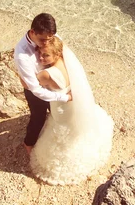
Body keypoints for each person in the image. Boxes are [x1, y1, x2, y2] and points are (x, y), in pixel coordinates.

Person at [30, 36, 114, 185]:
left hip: (61, 108)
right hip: (72, 105)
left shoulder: (46, 74)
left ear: (56, 54)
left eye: (46, 55)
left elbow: (34, 86)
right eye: (40, 53)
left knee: (61, 130)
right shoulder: (66, 64)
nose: (41, 57)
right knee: (73, 126)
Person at [14, 13, 71, 155]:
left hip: (51, 83)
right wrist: (64, 98)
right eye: (43, 40)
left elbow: (62, 53)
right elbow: (35, 89)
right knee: (37, 118)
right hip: (35, 90)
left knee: (55, 114)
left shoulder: (50, 38)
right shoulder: (22, 54)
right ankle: (28, 144)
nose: (46, 43)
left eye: (49, 39)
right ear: (33, 32)